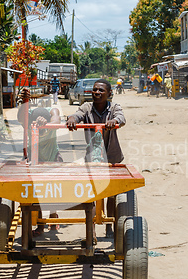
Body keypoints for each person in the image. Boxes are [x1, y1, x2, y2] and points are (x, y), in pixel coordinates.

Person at [66, 78, 126, 238]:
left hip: (111, 157)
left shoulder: (114, 108)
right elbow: (77, 115)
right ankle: (91, 230)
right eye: (95, 90)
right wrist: (72, 119)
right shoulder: (87, 107)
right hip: (92, 158)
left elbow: (121, 118)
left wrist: (114, 121)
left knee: (111, 195)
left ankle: (109, 227)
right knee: (92, 194)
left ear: (109, 94)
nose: (97, 93)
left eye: (101, 90)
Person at [17, 88, 62, 236]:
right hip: (35, 157)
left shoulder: (51, 111)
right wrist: (23, 101)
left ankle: (53, 218)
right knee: (37, 192)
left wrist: (46, 126)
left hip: (52, 157)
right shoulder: (28, 118)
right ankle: (40, 226)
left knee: (53, 190)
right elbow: (20, 117)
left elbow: (57, 119)